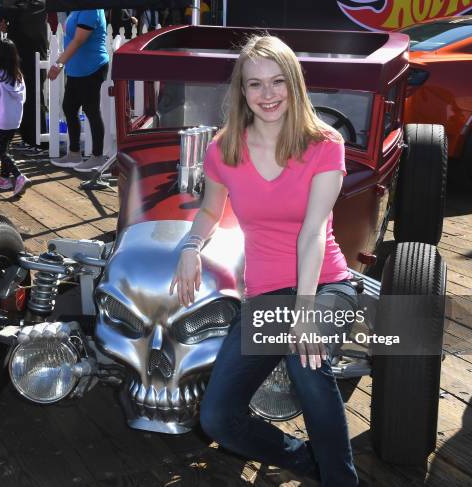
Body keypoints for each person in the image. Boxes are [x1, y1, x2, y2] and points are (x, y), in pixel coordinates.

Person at [169, 36, 360, 486]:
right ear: (241, 91)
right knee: (217, 416)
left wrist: (307, 310)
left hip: (325, 285)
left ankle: (341, 479)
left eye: (278, 82)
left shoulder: (324, 143)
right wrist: (190, 247)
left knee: (306, 360)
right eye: (255, 84)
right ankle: (307, 460)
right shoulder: (224, 148)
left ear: (294, 85)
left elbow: (314, 231)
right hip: (266, 295)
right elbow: (211, 211)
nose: (268, 94)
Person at [48, 8, 108, 173]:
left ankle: (97, 157)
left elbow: (79, 40)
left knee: (91, 111)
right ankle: (74, 153)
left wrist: (58, 64)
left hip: (92, 67)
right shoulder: (77, 7)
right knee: (69, 107)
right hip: (76, 68)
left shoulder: (92, 8)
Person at [0, 0, 48, 155]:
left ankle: (39, 144)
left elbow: (19, 11)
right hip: (22, 60)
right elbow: (20, 23)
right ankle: (28, 139)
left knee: (34, 101)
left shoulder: (37, 4)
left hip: (33, 61)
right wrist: (7, 28)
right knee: (24, 102)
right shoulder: (23, 6)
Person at [0, 38, 30, 196]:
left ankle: (19, 176)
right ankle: (3, 178)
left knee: (2, 151)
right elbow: (23, 98)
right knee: (6, 147)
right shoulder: (18, 76)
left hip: (1, 120)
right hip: (15, 119)